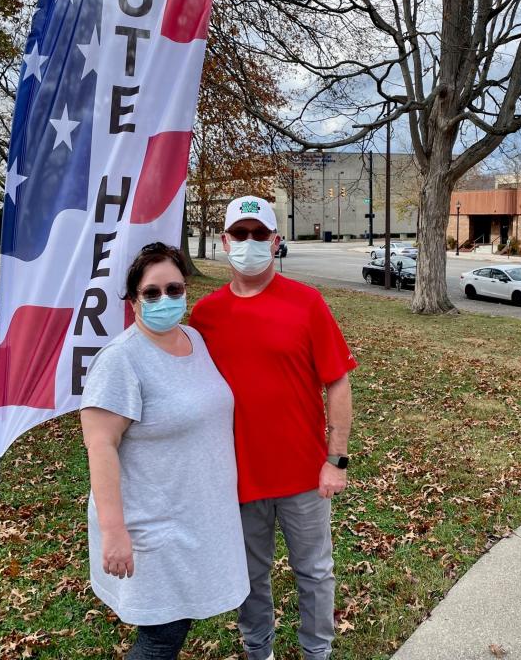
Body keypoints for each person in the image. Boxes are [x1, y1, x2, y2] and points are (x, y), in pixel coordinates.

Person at [190, 196, 357, 660]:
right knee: (248, 575)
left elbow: (338, 382)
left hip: (305, 474)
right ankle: (257, 649)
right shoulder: (204, 317)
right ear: (225, 242)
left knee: (315, 572)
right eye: (239, 235)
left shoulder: (307, 303)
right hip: (238, 476)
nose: (248, 243)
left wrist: (335, 459)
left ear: (275, 241)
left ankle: (316, 652)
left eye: (258, 234)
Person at [80, 242, 249, 660]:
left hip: (196, 517)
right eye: (151, 293)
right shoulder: (121, 360)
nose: (165, 300)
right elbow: (100, 444)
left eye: (174, 289)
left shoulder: (194, 339)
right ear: (133, 300)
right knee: (162, 635)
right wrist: (114, 531)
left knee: (178, 623)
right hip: (151, 524)